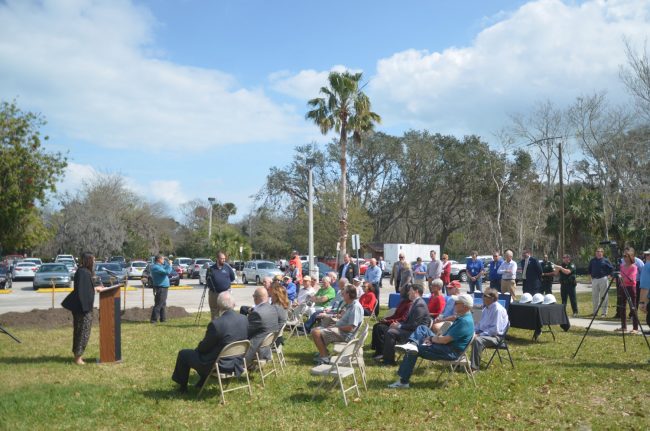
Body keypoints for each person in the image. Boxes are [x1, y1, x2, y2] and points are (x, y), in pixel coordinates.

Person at [388, 294, 475, 389]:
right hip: (446, 346)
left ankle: (403, 382)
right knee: (422, 328)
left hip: (449, 352)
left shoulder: (464, 322)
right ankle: (412, 344)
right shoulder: (464, 317)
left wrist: (431, 339)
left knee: (413, 350)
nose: (454, 305)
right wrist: (434, 339)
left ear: (464, 306)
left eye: (456, 303)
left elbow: (445, 340)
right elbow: (446, 335)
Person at [171, 292, 247, 392]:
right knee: (208, 353)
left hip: (220, 365)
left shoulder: (217, 324)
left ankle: (182, 388)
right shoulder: (244, 319)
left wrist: (197, 350)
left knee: (184, 354)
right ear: (234, 304)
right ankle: (202, 381)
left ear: (218, 306)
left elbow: (204, 347)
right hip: (237, 362)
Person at [61, 252, 105, 365]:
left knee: (81, 332)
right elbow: (82, 292)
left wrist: (95, 288)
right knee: (82, 333)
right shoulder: (83, 272)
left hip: (83, 308)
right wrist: (86, 309)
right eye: (93, 260)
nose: (94, 262)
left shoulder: (85, 272)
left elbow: (86, 289)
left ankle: (78, 355)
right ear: (88, 260)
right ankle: (78, 358)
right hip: (82, 309)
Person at [312, 285, 364, 364]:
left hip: (346, 335)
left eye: (343, 293)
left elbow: (351, 328)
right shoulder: (350, 305)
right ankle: (324, 352)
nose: (342, 295)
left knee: (316, 332)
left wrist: (335, 328)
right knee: (317, 329)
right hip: (342, 331)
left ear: (348, 294)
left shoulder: (355, 307)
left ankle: (324, 357)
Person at [381, 283, 430, 366]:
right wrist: (397, 324)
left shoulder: (420, 305)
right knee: (388, 329)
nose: (408, 293)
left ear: (416, 292)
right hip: (411, 330)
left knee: (391, 332)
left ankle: (389, 361)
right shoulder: (416, 303)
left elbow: (415, 325)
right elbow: (409, 322)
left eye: (410, 291)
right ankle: (386, 357)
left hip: (417, 335)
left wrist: (399, 326)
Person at [470, 288, 509, 371]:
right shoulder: (485, 308)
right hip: (485, 333)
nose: (482, 298)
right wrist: (472, 331)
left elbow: (495, 330)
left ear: (492, 298)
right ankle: (458, 362)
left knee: (477, 340)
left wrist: (479, 334)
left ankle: (474, 368)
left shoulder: (497, 310)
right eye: (483, 295)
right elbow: (478, 324)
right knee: (464, 334)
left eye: (485, 296)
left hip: (496, 337)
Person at [371, 289, 412, 360]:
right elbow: (395, 315)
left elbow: (403, 319)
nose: (400, 292)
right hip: (393, 322)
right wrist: (386, 319)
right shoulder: (403, 302)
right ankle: (378, 350)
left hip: (399, 325)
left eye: (402, 291)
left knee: (380, 328)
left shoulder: (410, 304)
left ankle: (382, 352)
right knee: (376, 326)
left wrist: (388, 321)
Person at [244, 287, 280, 366]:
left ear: (256, 298)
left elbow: (245, 332)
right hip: (267, 347)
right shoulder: (273, 308)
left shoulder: (257, 313)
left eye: (254, 296)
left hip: (256, 349)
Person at [206, 252, 236, 319]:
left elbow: (232, 277)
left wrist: (225, 284)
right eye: (222, 259)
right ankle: (215, 324)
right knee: (214, 310)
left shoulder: (227, 267)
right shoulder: (211, 269)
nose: (223, 260)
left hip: (226, 293)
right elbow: (207, 280)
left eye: (224, 259)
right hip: (214, 293)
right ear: (217, 259)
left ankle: (227, 322)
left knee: (227, 309)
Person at [617, 250, 640, 334]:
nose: (625, 258)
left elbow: (631, 279)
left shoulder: (634, 267)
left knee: (632, 307)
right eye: (624, 256)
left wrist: (622, 279)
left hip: (631, 288)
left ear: (631, 257)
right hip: (623, 287)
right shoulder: (622, 266)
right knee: (622, 307)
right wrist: (621, 281)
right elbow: (620, 278)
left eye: (626, 256)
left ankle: (635, 328)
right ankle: (623, 327)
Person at [588, 247, 614, 317]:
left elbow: (612, 269)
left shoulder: (606, 260)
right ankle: (595, 312)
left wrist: (609, 276)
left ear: (602, 253)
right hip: (594, 280)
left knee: (604, 296)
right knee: (595, 296)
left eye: (600, 251)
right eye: (597, 251)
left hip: (603, 279)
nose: (598, 253)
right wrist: (590, 278)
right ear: (595, 253)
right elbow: (589, 270)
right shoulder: (592, 261)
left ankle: (604, 313)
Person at [150, 254, 175, 323]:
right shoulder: (156, 267)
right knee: (158, 304)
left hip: (163, 287)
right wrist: (170, 265)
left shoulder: (159, 266)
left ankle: (163, 319)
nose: (163, 260)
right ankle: (153, 320)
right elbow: (167, 272)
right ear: (159, 260)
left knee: (163, 304)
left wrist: (168, 263)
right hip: (160, 287)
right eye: (163, 259)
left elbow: (165, 267)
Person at [639, 250, 650, 332]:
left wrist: (642, 302)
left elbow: (645, 286)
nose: (646, 256)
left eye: (647, 255)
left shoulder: (647, 266)